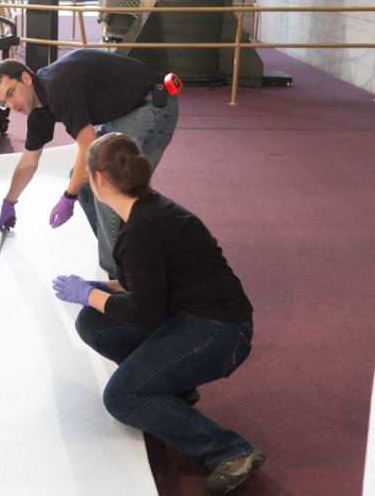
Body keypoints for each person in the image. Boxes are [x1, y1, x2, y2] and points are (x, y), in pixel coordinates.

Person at [51, 133, 263, 495]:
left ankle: (230, 451)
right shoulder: (149, 210)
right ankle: (173, 389)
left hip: (219, 333)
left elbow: (145, 313)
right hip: (197, 318)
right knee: (92, 321)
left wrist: (89, 294)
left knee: (121, 397)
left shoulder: (142, 230)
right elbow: (145, 284)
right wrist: (99, 289)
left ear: (99, 179)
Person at [0, 50, 178, 278]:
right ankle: (125, 256)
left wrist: (68, 196)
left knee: (107, 184)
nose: (10, 104)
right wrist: (10, 201)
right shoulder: (39, 110)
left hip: (153, 106)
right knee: (86, 184)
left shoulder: (56, 87)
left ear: (26, 79)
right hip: (125, 112)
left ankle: (121, 282)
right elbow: (28, 163)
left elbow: (89, 149)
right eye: (3, 102)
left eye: (11, 93)